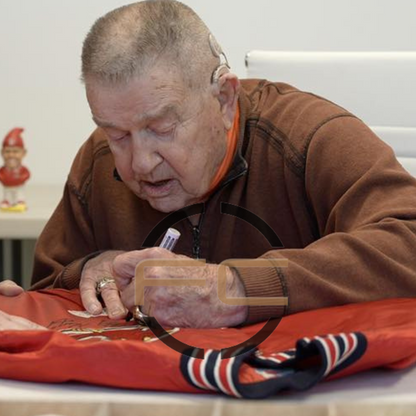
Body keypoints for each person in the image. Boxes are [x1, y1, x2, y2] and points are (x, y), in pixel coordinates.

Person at [15, 0, 416, 329]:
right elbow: (49, 288)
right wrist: (92, 270)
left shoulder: (308, 137)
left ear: (224, 98)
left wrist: (236, 288)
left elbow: (408, 241)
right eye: (117, 134)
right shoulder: (98, 160)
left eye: (162, 127)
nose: (140, 162)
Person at [0, 128, 30, 212]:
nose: (11, 155)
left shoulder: (23, 170)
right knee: (7, 194)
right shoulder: (2, 171)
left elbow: (26, 175)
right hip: (7, 188)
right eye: (7, 151)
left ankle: (20, 201)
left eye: (15, 151)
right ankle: (7, 201)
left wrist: (20, 179)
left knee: (19, 193)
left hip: (19, 187)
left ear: (23, 153)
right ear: (2, 152)